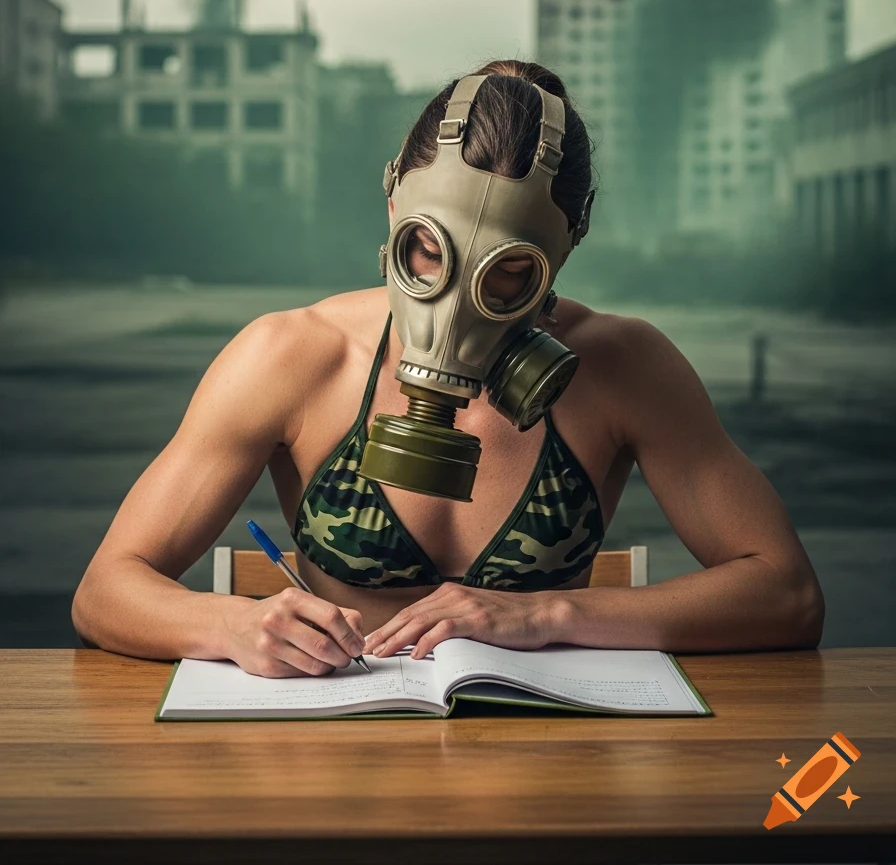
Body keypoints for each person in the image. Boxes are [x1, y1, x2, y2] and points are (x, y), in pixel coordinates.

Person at [72, 59, 825, 677]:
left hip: (543, 758)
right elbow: (105, 590)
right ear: (395, 198)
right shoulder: (295, 357)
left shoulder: (622, 366)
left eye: (506, 275)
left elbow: (787, 595)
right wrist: (233, 624)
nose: (460, 299)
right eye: (429, 252)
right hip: (334, 754)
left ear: (567, 244)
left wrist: (544, 614)